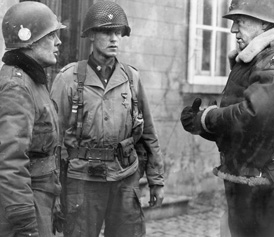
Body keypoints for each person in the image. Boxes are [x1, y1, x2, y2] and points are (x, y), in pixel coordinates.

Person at [181, 0, 274, 237]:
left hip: (273, 190)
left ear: (264, 22)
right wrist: (200, 123)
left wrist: (208, 119)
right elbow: (242, 127)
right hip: (254, 185)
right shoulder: (259, 57)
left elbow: (254, 116)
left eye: (239, 21)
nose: (233, 30)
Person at [50, 1, 164, 237]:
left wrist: (156, 180)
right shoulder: (69, 78)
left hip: (125, 177)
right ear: (91, 35)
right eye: (106, 32)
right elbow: (53, 140)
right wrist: (54, 192)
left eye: (118, 32)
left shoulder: (131, 77)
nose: (114, 39)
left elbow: (148, 134)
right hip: (83, 179)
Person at [0, 2, 65, 237]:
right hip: (25, 205)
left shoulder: (33, 81)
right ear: (29, 40)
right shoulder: (16, 86)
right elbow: (10, 161)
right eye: (51, 35)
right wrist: (26, 224)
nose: (58, 42)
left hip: (40, 197)